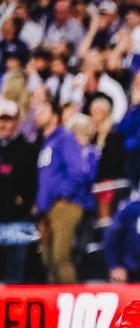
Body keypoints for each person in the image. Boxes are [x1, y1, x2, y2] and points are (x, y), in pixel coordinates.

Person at [34, 99, 95, 284]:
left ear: (54, 115)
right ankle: (55, 309)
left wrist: (62, 195)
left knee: (61, 259)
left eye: (42, 109)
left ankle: (71, 304)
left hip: (65, 205)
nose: (37, 113)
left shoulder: (65, 138)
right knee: (49, 262)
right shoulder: (48, 142)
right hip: (48, 209)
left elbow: (79, 171)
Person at [0, 98, 38, 283]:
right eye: (0, 119)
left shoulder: (27, 150)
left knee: (15, 277)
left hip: (18, 223)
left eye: (6, 119)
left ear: (16, 121)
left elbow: (31, 184)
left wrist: (22, 201)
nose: (2, 124)